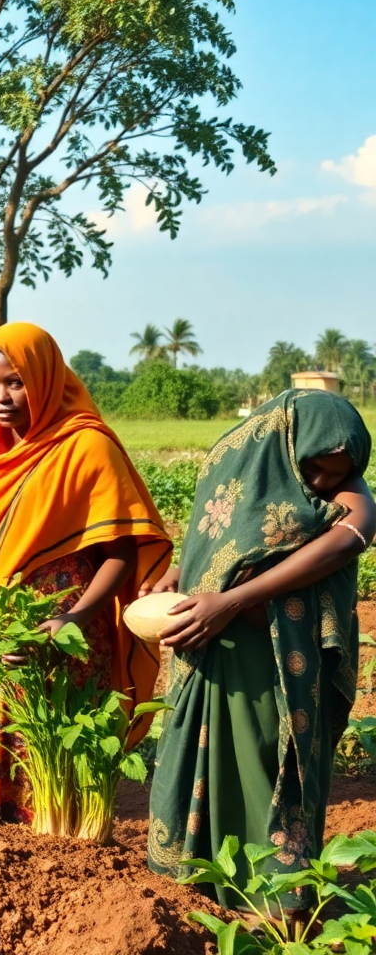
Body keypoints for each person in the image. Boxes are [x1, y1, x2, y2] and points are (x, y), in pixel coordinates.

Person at [146, 390, 374, 910]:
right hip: (218, 644)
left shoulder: (349, 487)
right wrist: (182, 575)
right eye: (315, 469)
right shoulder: (240, 464)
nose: (321, 484)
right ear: (287, 443)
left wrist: (232, 599)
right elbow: (218, 537)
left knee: (269, 758)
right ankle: (203, 889)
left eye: (334, 475)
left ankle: (273, 903)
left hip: (279, 655)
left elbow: (352, 535)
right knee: (219, 757)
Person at [0, 323, 172, 823]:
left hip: (64, 634)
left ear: (45, 378)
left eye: (15, 382)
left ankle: (63, 859)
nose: (1, 397)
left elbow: (122, 555)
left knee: (55, 744)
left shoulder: (86, 447)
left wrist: (74, 617)